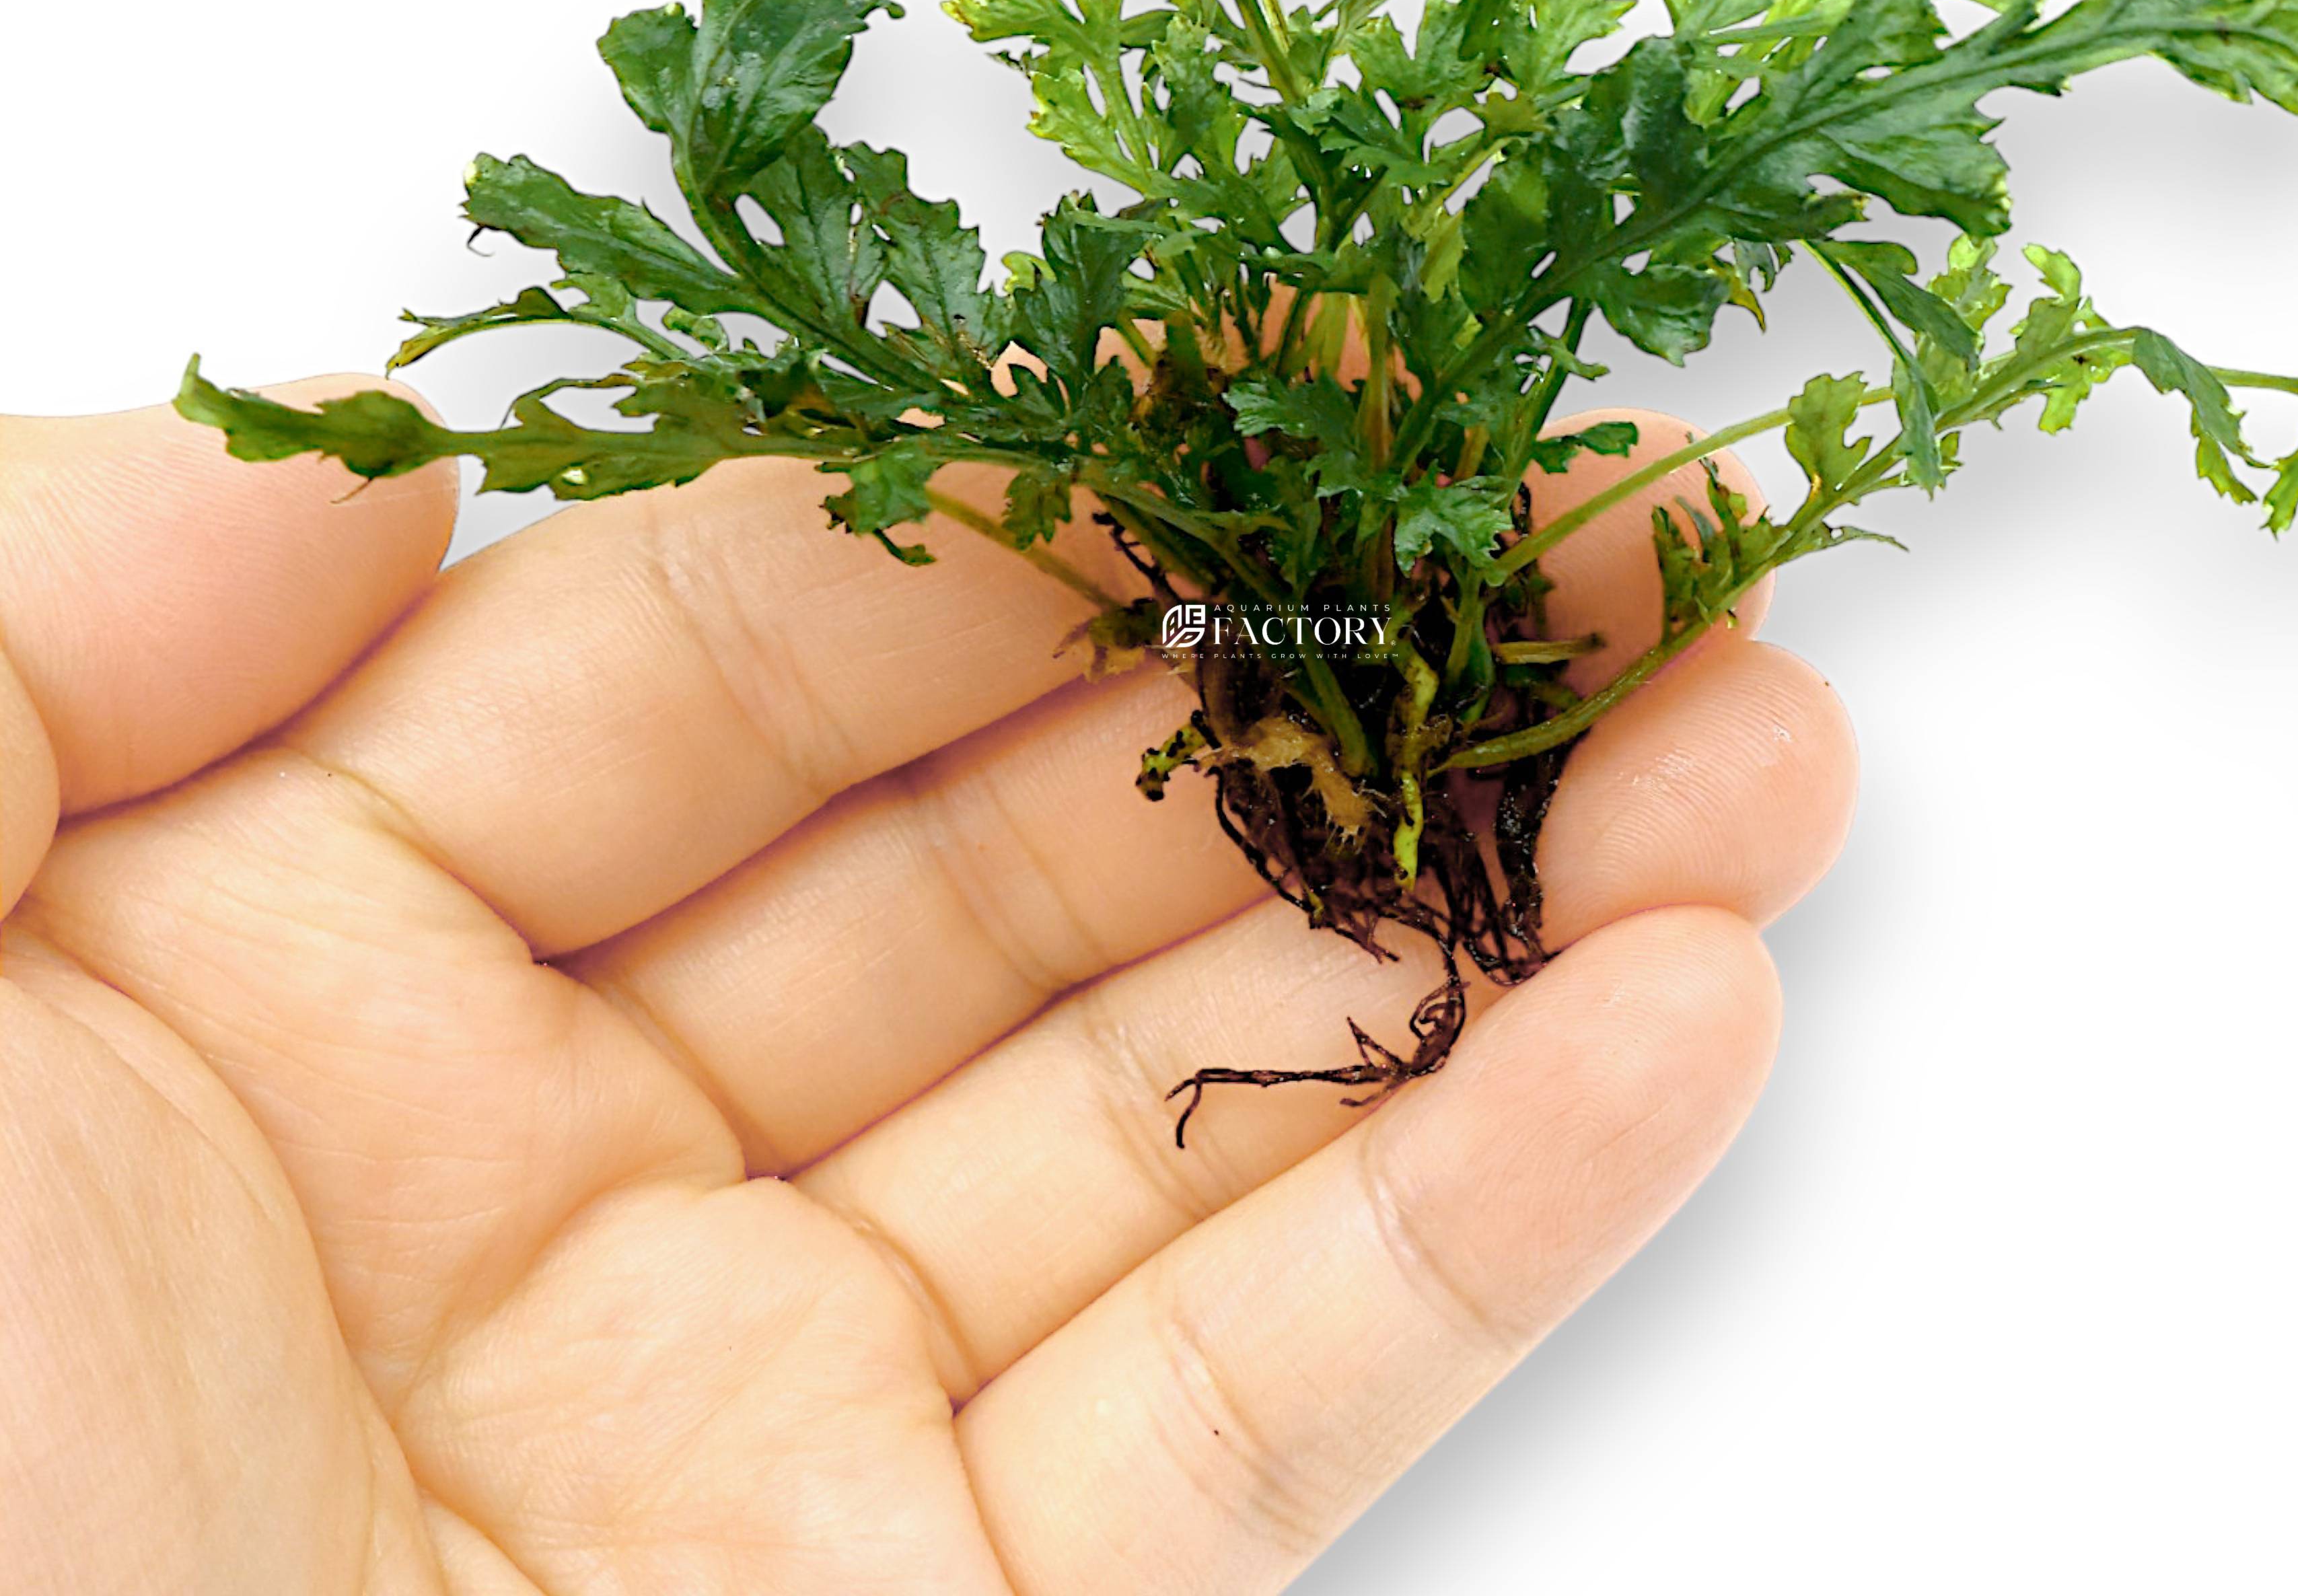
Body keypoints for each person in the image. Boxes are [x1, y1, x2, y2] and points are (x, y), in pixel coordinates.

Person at [0, 377, 1855, 1593]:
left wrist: (1341, 648)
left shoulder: (1303, 633)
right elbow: (1225, 626)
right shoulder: (1244, 631)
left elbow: (1275, 628)